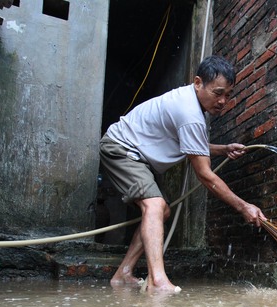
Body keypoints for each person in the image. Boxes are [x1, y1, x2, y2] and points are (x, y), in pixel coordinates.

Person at [99, 55, 266, 293]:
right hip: (122, 148)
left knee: (161, 210)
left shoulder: (189, 103)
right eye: (218, 93)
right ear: (198, 83)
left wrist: (223, 149)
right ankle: (157, 281)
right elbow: (206, 176)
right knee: (155, 206)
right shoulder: (190, 114)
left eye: (228, 95)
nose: (223, 101)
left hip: (135, 153)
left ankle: (123, 274)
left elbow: (191, 143)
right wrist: (243, 207)